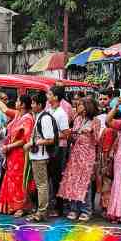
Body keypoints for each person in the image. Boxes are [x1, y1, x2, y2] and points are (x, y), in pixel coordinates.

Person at [57, 97, 101, 222]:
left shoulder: (96, 121)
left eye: (80, 105)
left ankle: (86, 210)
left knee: (85, 182)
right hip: (75, 153)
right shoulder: (77, 119)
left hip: (87, 154)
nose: (77, 107)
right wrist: (71, 133)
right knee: (73, 181)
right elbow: (73, 137)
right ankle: (74, 209)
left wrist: (90, 131)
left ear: (87, 107)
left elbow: (97, 139)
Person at [0, 93, 35, 217]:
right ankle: (11, 205)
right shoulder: (18, 114)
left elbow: (24, 140)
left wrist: (8, 146)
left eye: (18, 101)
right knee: (11, 178)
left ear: (22, 105)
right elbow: (5, 109)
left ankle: (21, 207)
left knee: (19, 180)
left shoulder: (28, 119)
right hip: (12, 154)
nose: (16, 103)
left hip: (20, 154)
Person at [25, 92, 57, 222]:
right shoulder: (39, 116)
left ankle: (41, 212)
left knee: (42, 185)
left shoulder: (44, 118)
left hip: (40, 156)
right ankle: (40, 210)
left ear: (39, 105)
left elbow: (50, 139)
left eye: (33, 103)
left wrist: (32, 143)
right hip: (37, 155)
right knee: (41, 184)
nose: (31, 105)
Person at [46, 86, 72, 217]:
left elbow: (66, 133)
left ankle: (59, 207)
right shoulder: (49, 110)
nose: (47, 96)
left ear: (56, 97)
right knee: (49, 176)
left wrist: (53, 137)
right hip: (49, 146)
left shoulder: (61, 113)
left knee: (56, 177)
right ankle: (51, 203)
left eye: (50, 94)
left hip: (58, 148)